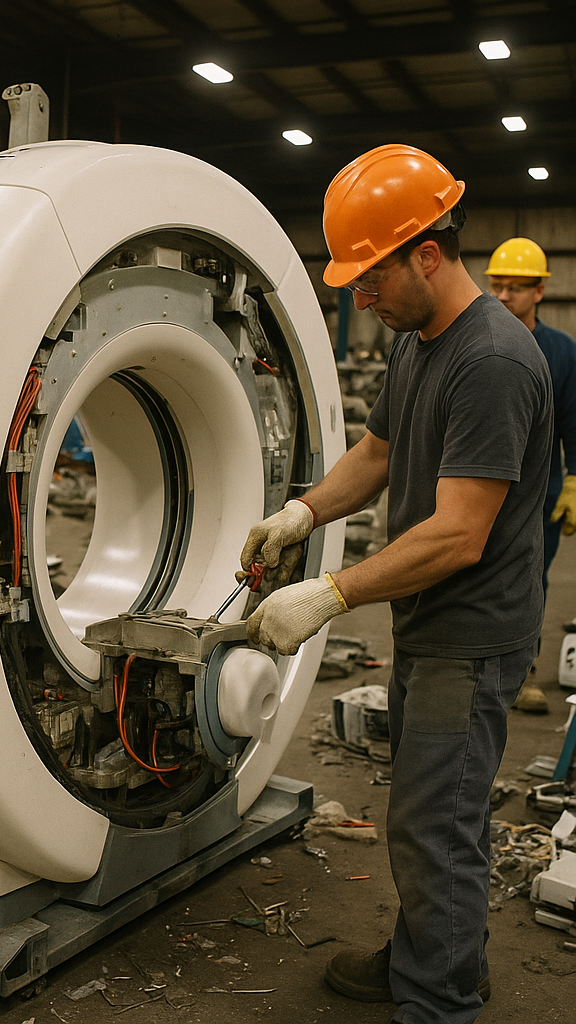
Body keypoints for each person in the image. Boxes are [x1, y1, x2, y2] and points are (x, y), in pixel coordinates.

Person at [239, 144, 551, 1024]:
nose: (358, 297)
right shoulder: (420, 341)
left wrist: (328, 594)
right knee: (432, 813)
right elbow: (376, 456)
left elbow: (458, 534)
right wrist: (301, 513)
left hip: (473, 631)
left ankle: (438, 1000)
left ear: (426, 254)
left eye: (370, 277)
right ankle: (437, 957)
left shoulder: (491, 360)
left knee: (433, 824)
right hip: (429, 621)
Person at [485, 237, 576, 712]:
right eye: (497, 286)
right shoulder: (477, 340)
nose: (503, 296)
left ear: (540, 291)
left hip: (540, 490)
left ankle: (523, 671)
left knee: (530, 580)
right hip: (481, 483)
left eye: (516, 288)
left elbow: (575, 421)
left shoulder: (561, 352)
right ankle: (475, 666)